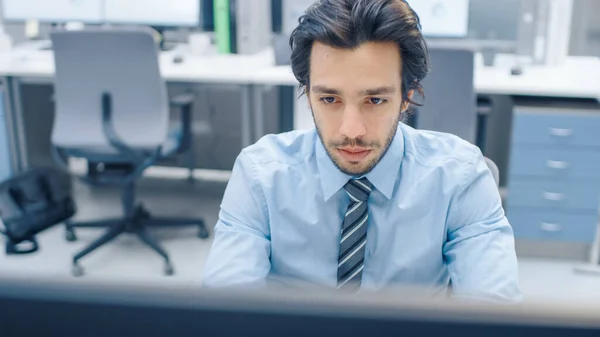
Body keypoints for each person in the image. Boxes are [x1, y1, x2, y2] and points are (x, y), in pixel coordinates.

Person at [202, 0, 521, 302]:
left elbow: (495, 310)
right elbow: (224, 309)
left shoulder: (460, 178)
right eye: (329, 99)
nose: (351, 130)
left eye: (375, 100)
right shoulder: (260, 176)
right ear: (307, 92)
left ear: (408, 96)